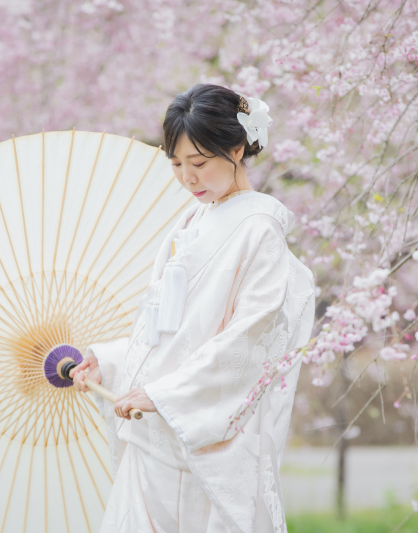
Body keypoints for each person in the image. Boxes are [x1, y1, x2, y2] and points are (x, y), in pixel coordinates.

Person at [69, 83, 315, 533]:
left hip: (198, 439)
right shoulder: (189, 222)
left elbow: (249, 342)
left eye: (199, 163)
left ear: (237, 148)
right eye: (177, 164)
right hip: (154, 431)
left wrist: (167, 394)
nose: (187, 178)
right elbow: (165, 332)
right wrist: (109, 360)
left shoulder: (259, 229)